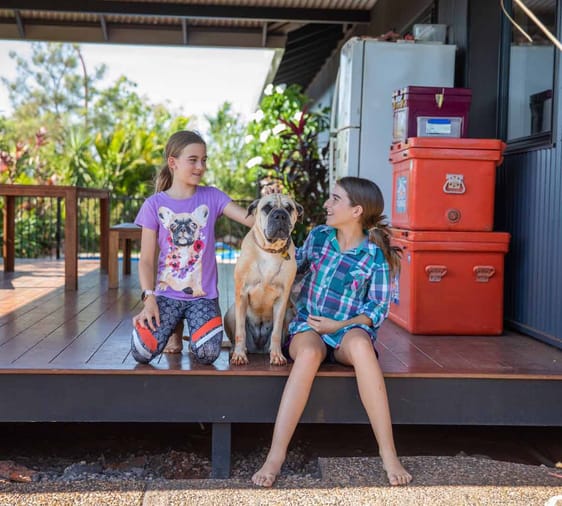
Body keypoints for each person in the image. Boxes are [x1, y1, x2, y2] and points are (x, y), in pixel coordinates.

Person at [252, 176, 412, 487]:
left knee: (363, 348)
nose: (327, 204)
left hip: (347, 330)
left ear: (356, 211)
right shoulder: (319, 237)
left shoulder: (374, 255)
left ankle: (389, 454)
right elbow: (290, 267)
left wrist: (339, 326)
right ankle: (275, 457)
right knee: (309, 354)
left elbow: (377, 310)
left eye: (335, 199)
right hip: (309, 326)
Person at [130, 130, 253, 365]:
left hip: (202, 297)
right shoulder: (153, 204)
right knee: (141, 352)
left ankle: (186, 331)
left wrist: (272, 204)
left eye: (204, 160)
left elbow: (251, 220)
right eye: (193, 160)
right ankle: (174, 330)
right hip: (166, 295)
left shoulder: (213, 196)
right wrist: (149, 299)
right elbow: (145, 260)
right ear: (173, 163)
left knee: (207, 353)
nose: (200, 167)